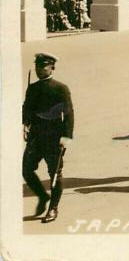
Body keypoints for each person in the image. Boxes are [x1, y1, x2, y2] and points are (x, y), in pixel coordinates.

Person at [23, 52, 74, 223]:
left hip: (54, 136)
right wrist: (26, 122)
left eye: (43, 66)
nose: (39, 69)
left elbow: (68, 114)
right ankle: (42, 197)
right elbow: (27, 107)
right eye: (37, 66)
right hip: (36, 135)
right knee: (26, 170)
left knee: (54, 174)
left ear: (52, 67)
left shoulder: (60, 88)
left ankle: (53, 208)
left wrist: (67, 136)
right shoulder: (33, 88)